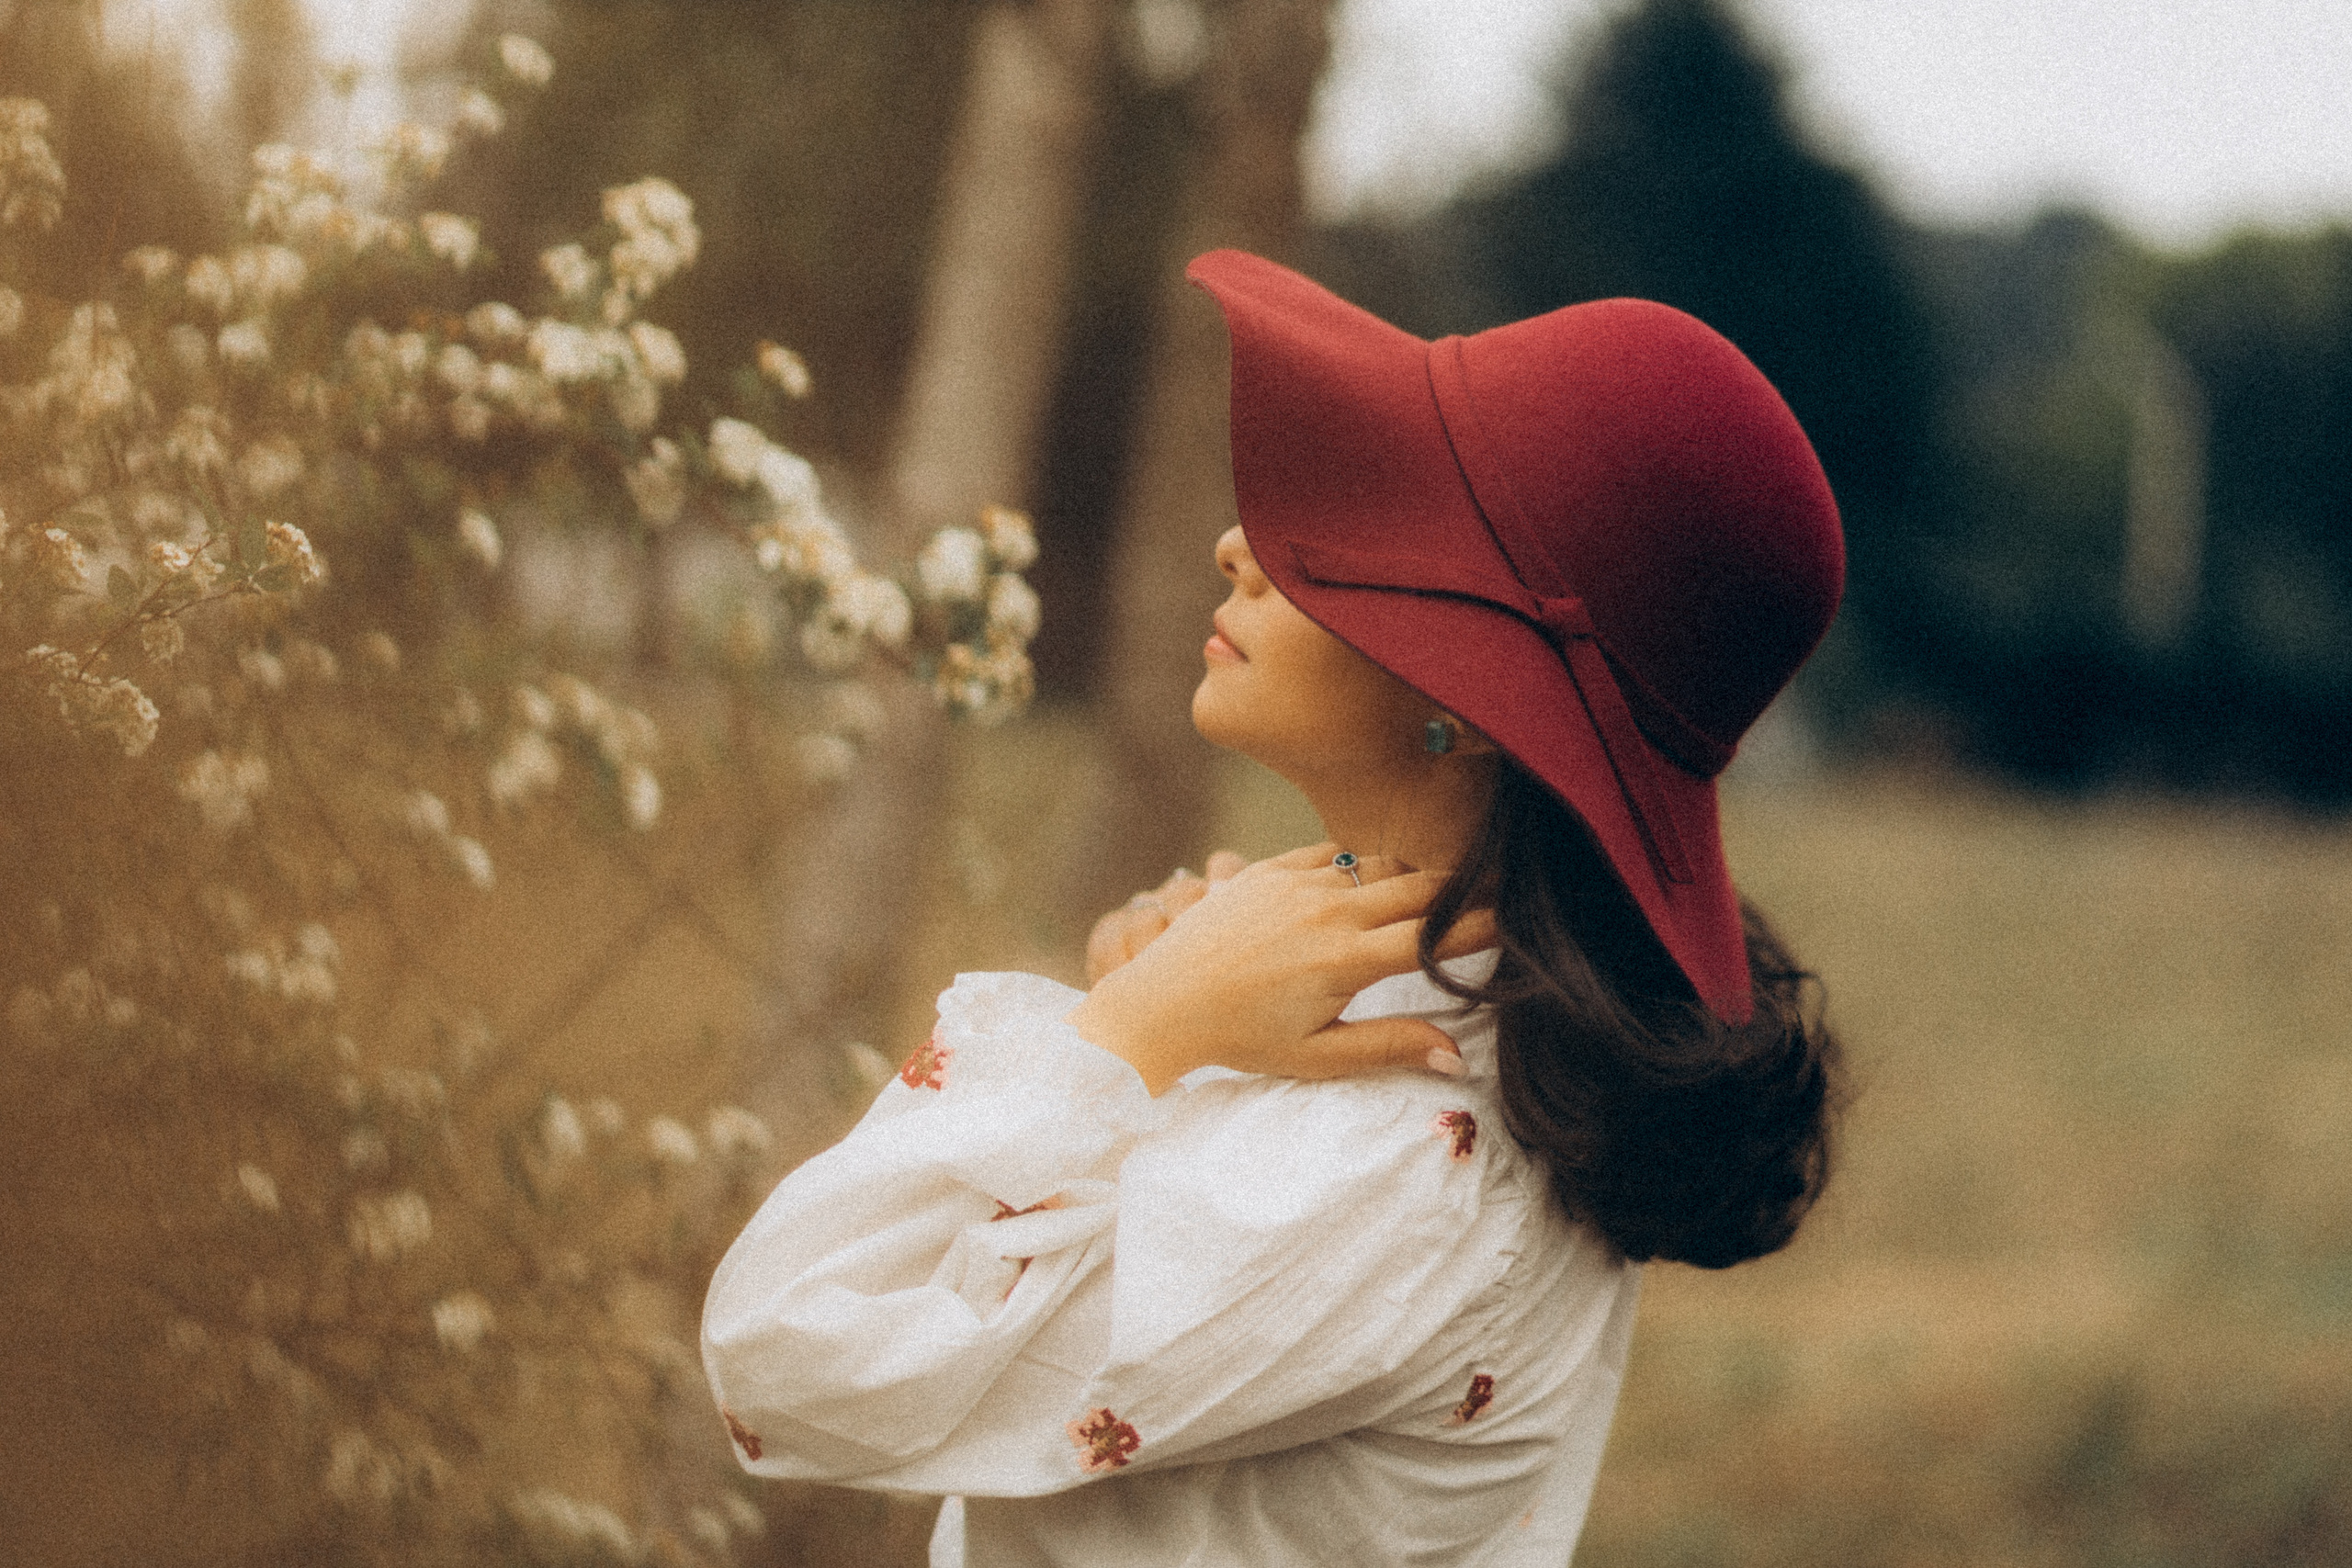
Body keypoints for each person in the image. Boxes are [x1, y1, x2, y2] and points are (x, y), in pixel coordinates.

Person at [701, 249, 1845, 1566]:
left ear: (1469, 701)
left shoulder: (1392, 1171)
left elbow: (787, 1352)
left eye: (1350, 539)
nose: (1242, 545)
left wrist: (1131, 1038)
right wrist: (1184, 1042)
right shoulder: (1445, 1048)